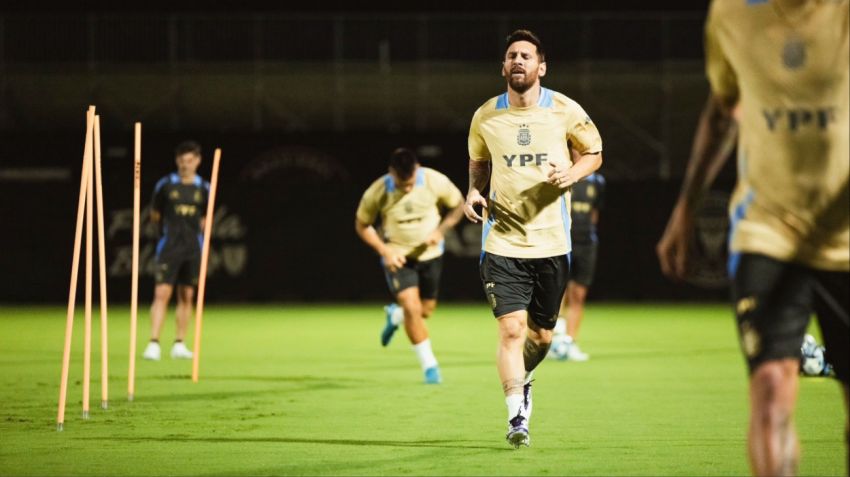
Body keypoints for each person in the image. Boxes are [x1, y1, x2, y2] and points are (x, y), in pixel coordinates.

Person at [656, 0, 849, 475]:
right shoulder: (730, 13)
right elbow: (723, 111)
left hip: (845, 234)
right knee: (769, 386)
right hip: (766, 229)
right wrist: (685, 209)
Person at [465, 29, 603, 448]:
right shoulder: (486, 115)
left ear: (541, 66)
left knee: (541, 336)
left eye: (526, 55)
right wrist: (473, 190)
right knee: (511, 330)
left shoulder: (564, 109)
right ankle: (515, 417)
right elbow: (478, 161)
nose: (518, 61)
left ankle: (522, 381)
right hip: (502, 242)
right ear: (503, 67)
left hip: (551, 244)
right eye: (511, 55)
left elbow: (594, 152)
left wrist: (572, 173)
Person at [355, 148, 464, 384]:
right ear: (391, 172)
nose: (406, 188)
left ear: (417, 169)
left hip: (431, 255)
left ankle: (395, 317)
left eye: (410, 182)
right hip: (398, 257)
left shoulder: (435, 181)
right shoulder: (378, 191)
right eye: (401, 183)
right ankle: (430, 367)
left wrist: (440, 231)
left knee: (424, 311)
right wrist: (385, 251)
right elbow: (362, 224)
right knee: (412, 308)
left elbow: (459, 205)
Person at [142, 141, 210, 361]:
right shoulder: (166, 185)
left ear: (197, 161)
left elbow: (205, 217)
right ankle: (154, 343)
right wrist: (163, 233)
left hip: (192, 249)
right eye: (181, 160)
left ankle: (179, 343)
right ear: (176, 161)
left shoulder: (204, 187)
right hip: (169, 247)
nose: (185, 165)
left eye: (189, 160)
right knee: (161, 293)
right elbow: (155, 215)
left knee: (187, 295)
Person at [552, 168, 605, 362]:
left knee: (578, 295)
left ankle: (570, 342)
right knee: (558, 293)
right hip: (562, 241)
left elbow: (595, 213)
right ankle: (553, 341)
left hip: (586, 243)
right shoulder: (563, 174)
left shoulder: (597, 181)